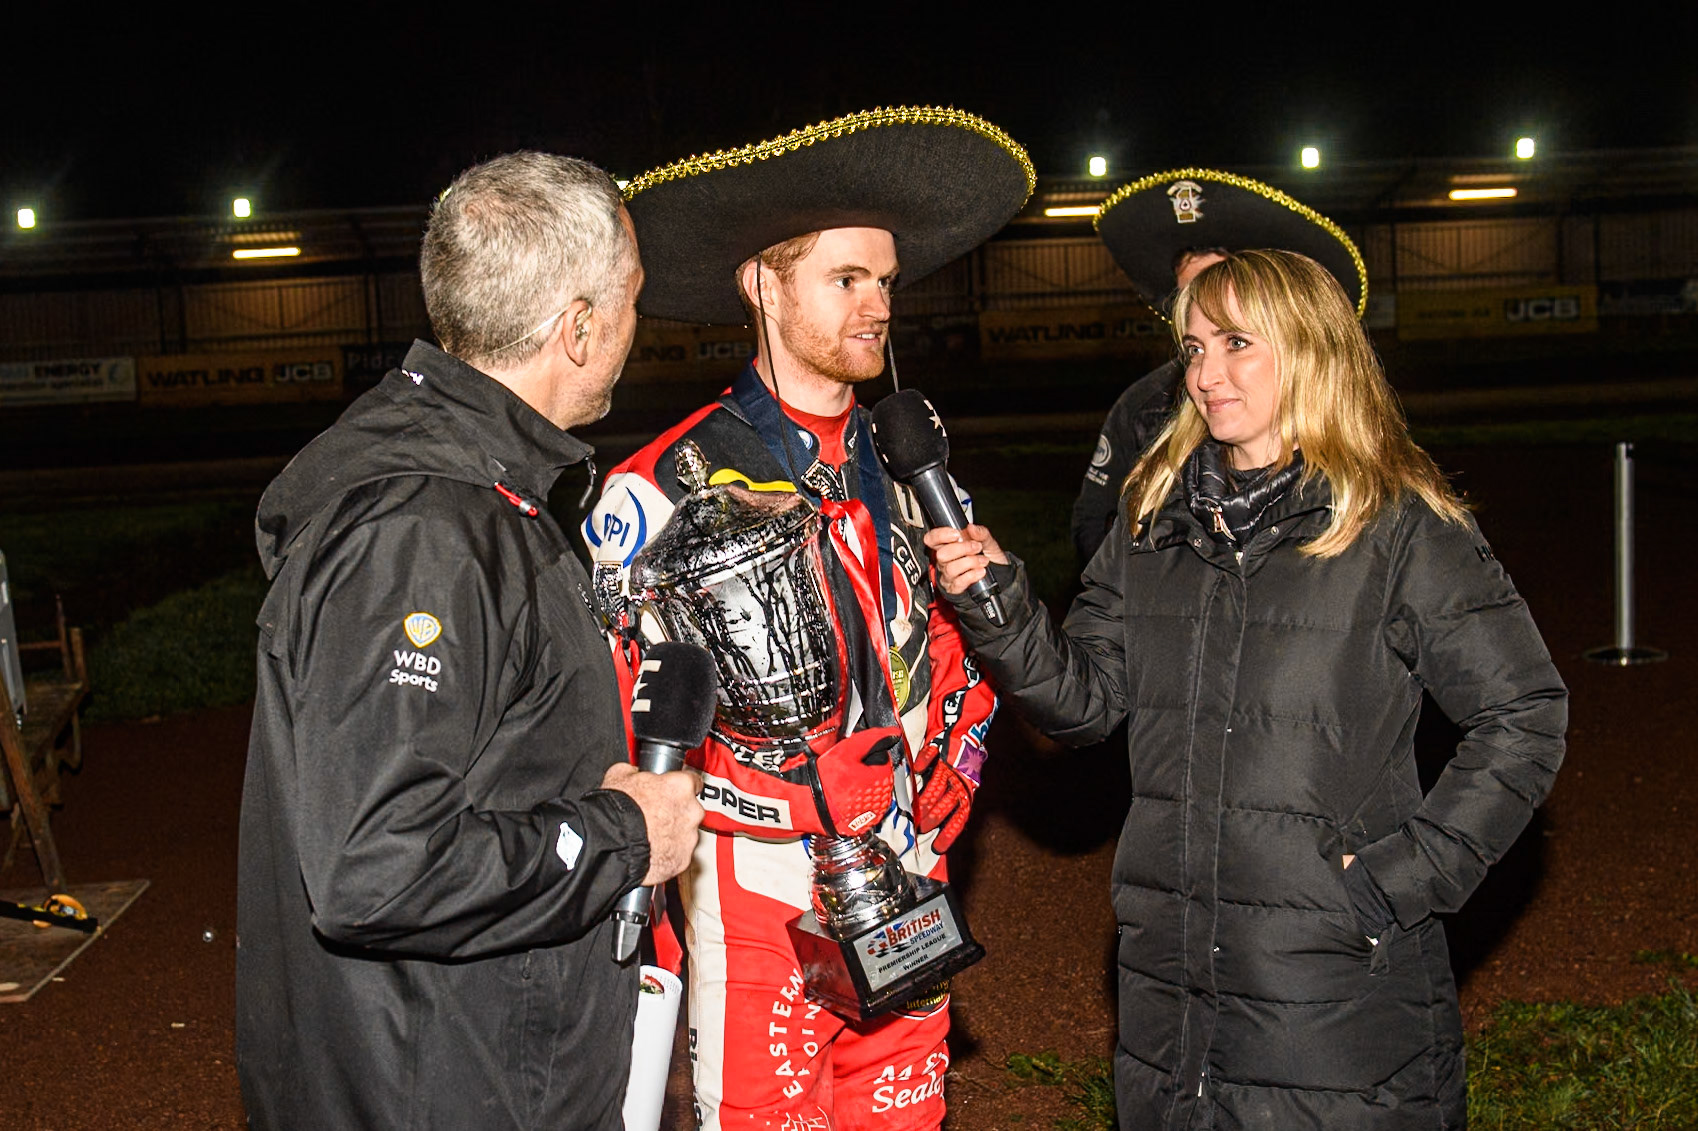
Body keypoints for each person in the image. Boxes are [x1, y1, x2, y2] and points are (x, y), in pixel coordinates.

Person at [927, 249, 1567, 1129]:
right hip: (1170, 985)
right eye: (1192, 348)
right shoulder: (1153, 516)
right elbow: (1085, 706)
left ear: (1309, 350)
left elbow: (1525, 715)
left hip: (1334, 994)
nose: (1204, 373)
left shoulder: (1396, 525)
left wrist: (1390, 883)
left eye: (1235, 343)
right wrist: (1000, 603)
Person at [584, 107, 1032, 1131]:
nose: (878, 305)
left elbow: (950, 655)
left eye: (885, 280)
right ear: (762, 284)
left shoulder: (910, 462)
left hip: (908, 869)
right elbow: (618, 731)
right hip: (755, 892)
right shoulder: (661, 490)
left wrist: (953, 770)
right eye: (846, 280)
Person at [236, 152, 704, 1130]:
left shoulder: (483, 499)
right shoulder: (423, 534)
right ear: (577, 327)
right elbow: (378, 866)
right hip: (444, 1086)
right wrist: (624, 836)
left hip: (469, 1065)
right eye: (628, 303)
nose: (632, 329)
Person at [1072, 169, 1367, 566]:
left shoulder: (1387, 506)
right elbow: (1094, 525)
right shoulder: (1141, 406)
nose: (1207, 378)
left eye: (1236, 340)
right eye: (1185, 299)